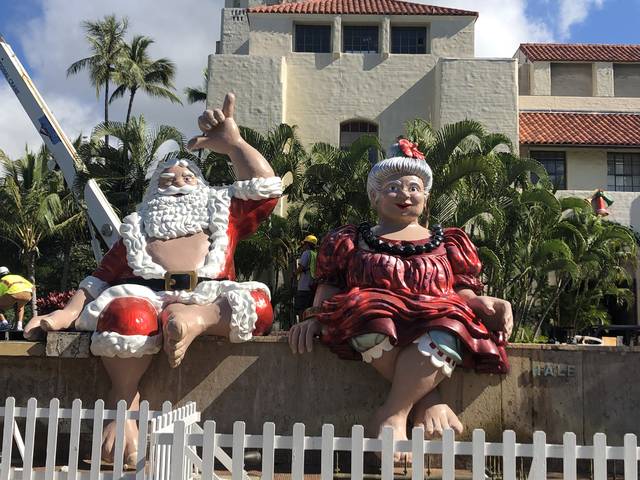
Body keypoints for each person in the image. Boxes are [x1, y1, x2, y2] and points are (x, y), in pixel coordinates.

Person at [24, 93, 282, 465]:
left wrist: (234, 144)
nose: (178, 178)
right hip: (147, 297)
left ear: (202, 184)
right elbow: (98, 280)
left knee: (257, 305)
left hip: (206, 298)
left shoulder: (223, 209)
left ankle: (195, 321)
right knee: (125, 316)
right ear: (152, 190)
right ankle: (123, 405)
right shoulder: (137, 227)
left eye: (187, 174)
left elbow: (265, 187)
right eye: (168, 175)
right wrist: (61, 316)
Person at [288, 139, 512, 460]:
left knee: (451, 323)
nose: (405, 194)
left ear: (426, 196)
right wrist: (312, 317)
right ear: (375, 197)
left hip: (435, 313)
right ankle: (428, 400)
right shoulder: (352, 240)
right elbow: (331, 286)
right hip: (371, 315)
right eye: (394, 187)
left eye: (413, 187)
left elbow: (462, 292)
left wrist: (487, 304)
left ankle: (392, 414)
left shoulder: (448, 241)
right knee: (366, 313)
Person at [0, 267, 33, 331]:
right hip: (28, 294)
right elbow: (32, 286)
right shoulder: (17, 276)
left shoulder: (2, 280)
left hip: (14, 293)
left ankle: (4, 323)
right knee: (20, 306)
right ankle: (19, 326)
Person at [294, 235, 317, 321]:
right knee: (310, 308)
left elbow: (301, 268)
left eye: (304, 244)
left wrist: (294, 274)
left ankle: (301, 326)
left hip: (304, 286)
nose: (303, 246)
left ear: (307, 244)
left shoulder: (306, 253)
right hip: (313, 286)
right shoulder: (315, 254)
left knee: (301, 308)